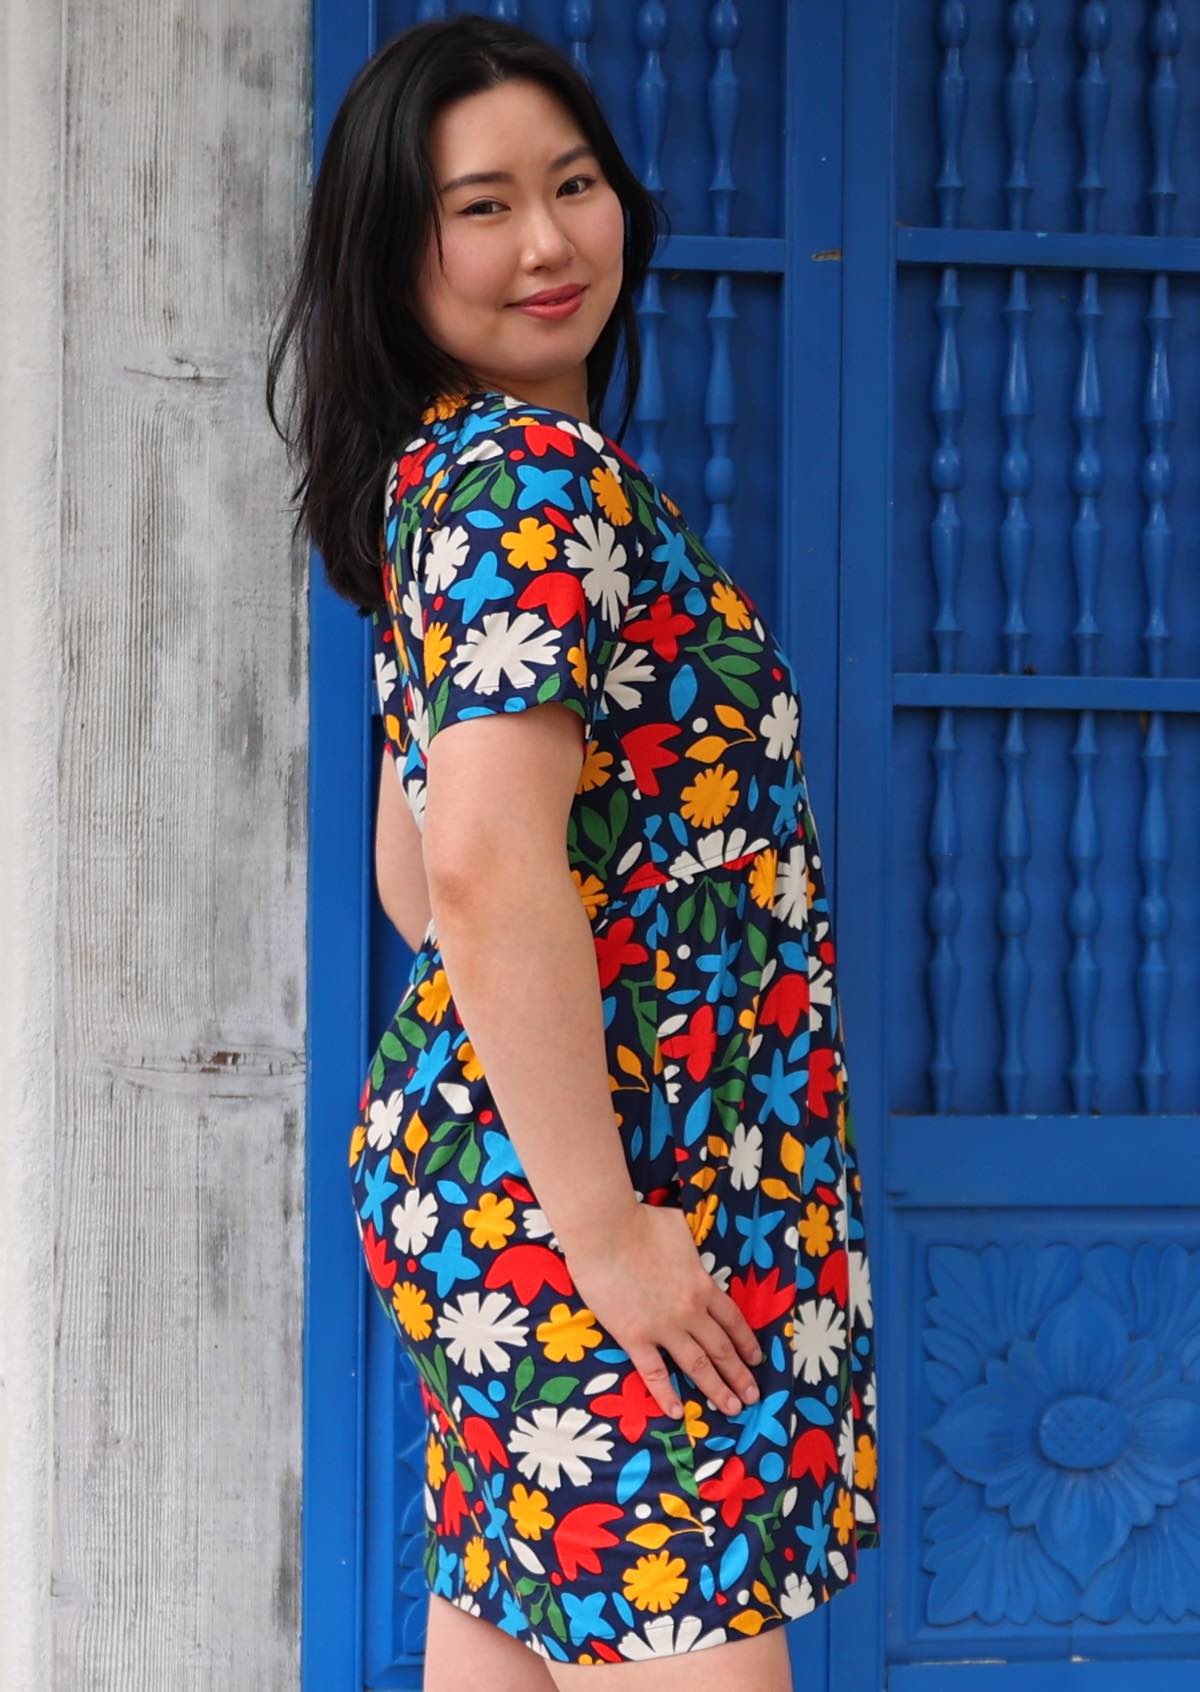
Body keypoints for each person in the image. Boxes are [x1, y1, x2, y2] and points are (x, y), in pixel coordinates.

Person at [268, 14, 880, 1689]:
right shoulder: (525, 486)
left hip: (526, 1175)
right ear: (394, 255)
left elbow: (423, 873)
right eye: (479, 207)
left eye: (575, 184)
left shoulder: (451, 483)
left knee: (511, 1632)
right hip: (599, 1186)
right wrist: (604, 1228)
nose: (546, 242)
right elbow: (466, 874)